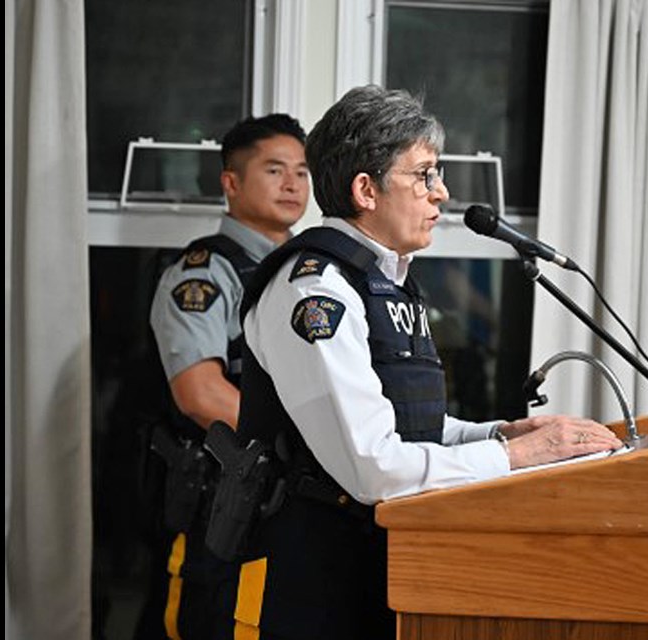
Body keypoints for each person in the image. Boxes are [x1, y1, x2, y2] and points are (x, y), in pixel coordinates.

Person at [219, 86, 622, 640]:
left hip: (379, 564)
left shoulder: (385, 283)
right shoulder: (316, 292)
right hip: (308, 580)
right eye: (425, 175)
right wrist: (515, 455)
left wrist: (499, 431)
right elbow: (375, 466)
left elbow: (408, 429)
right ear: (366, 189)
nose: (442, 193)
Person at [144, 113, 309, 640]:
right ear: (231, 183)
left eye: (303, 172)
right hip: (215, 503)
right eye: (275, 170)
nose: (292, 184)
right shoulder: (204, 272)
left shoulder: (303, 271)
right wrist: (307, 444)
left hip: (277, 500)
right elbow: (199, 394)